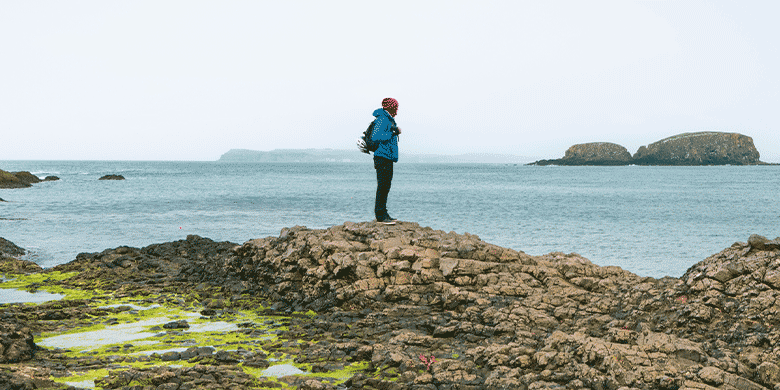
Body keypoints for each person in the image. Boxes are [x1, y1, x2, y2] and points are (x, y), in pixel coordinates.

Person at [371, 98, 401, 225]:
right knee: (383, 186)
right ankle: (381, 216)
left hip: (386, 157)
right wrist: (393, 132)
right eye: (395, 107)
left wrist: (392, 131)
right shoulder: (383, 119)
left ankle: (383, 213)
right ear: (390, 107)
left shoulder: (386, 118)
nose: (397, 110)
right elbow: (376, 137)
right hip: (383, 157)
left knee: (385, 186)